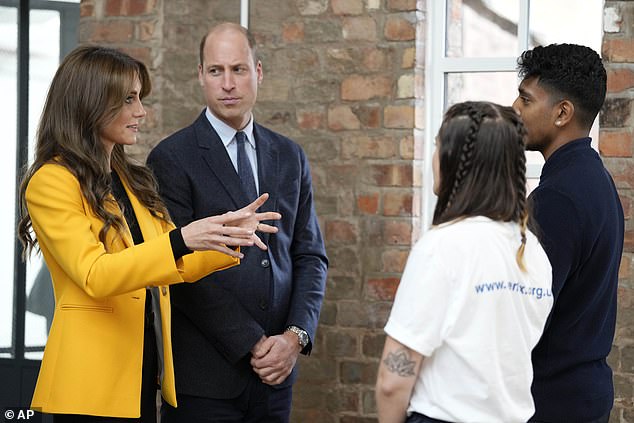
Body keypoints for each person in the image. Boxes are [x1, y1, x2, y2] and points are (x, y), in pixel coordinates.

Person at [17, 45, 281, 422]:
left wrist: (227, 237)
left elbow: (175, 262)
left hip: (142, 372)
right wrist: (183, 238)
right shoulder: (51, 182)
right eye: (128, 99)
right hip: (90, 383)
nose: (140, 111)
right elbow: (96, 274)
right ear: (91, 103)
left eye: (139, 98)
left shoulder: (128, 179)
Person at [146, 22, 328, 422]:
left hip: (275, 377)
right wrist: (254, 342)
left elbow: (310, 255)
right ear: (200, 76)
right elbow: (178, 268)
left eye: (238, 69)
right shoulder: (171, 158)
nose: (228, 83)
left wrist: (294, 338)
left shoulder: (289, 155)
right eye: (216, 71)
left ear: (258, 72)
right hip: (205, 379)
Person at [375, 101, 553, 423]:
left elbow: (392, 381)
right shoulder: (534, 252)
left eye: (437, 147)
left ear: (456, 162)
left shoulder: (442, 247)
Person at [512, 44, 624, 423]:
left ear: (562, 113)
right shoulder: (596, 179)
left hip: (552, 401)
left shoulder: (557, 197)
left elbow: (525, 312)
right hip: (581, 394)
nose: (515, 108)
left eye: (526, 100)